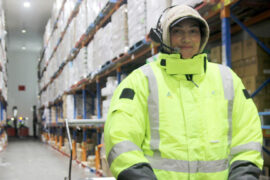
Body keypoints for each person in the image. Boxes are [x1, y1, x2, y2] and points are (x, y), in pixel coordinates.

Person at [104, 5, 263, 180]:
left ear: (202, 36)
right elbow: (121, 139)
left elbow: (248, 136)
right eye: (177, 31)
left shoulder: (227, 80)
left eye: (193, 31)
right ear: (164, 36)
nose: (186, 39)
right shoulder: (141, 81)